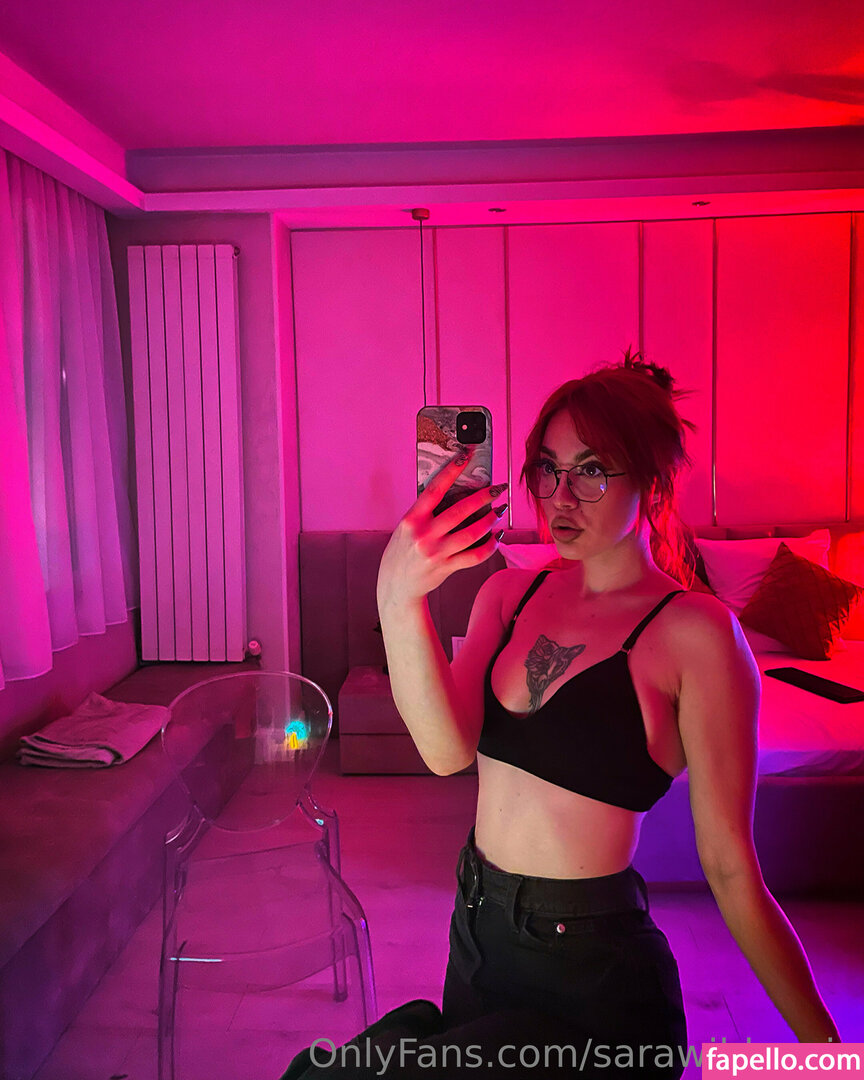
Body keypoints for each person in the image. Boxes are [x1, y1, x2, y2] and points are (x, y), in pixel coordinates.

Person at [282, 355, 838, 1079]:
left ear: (653, 483)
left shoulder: (695, 634)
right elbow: (446, 752)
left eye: (592, 470)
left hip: (592, 980)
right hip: (477, 934)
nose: (561, 496)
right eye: (548, 469)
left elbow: (732, 870)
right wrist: (399, 596)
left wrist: (831, 1055)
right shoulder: (508, 597)